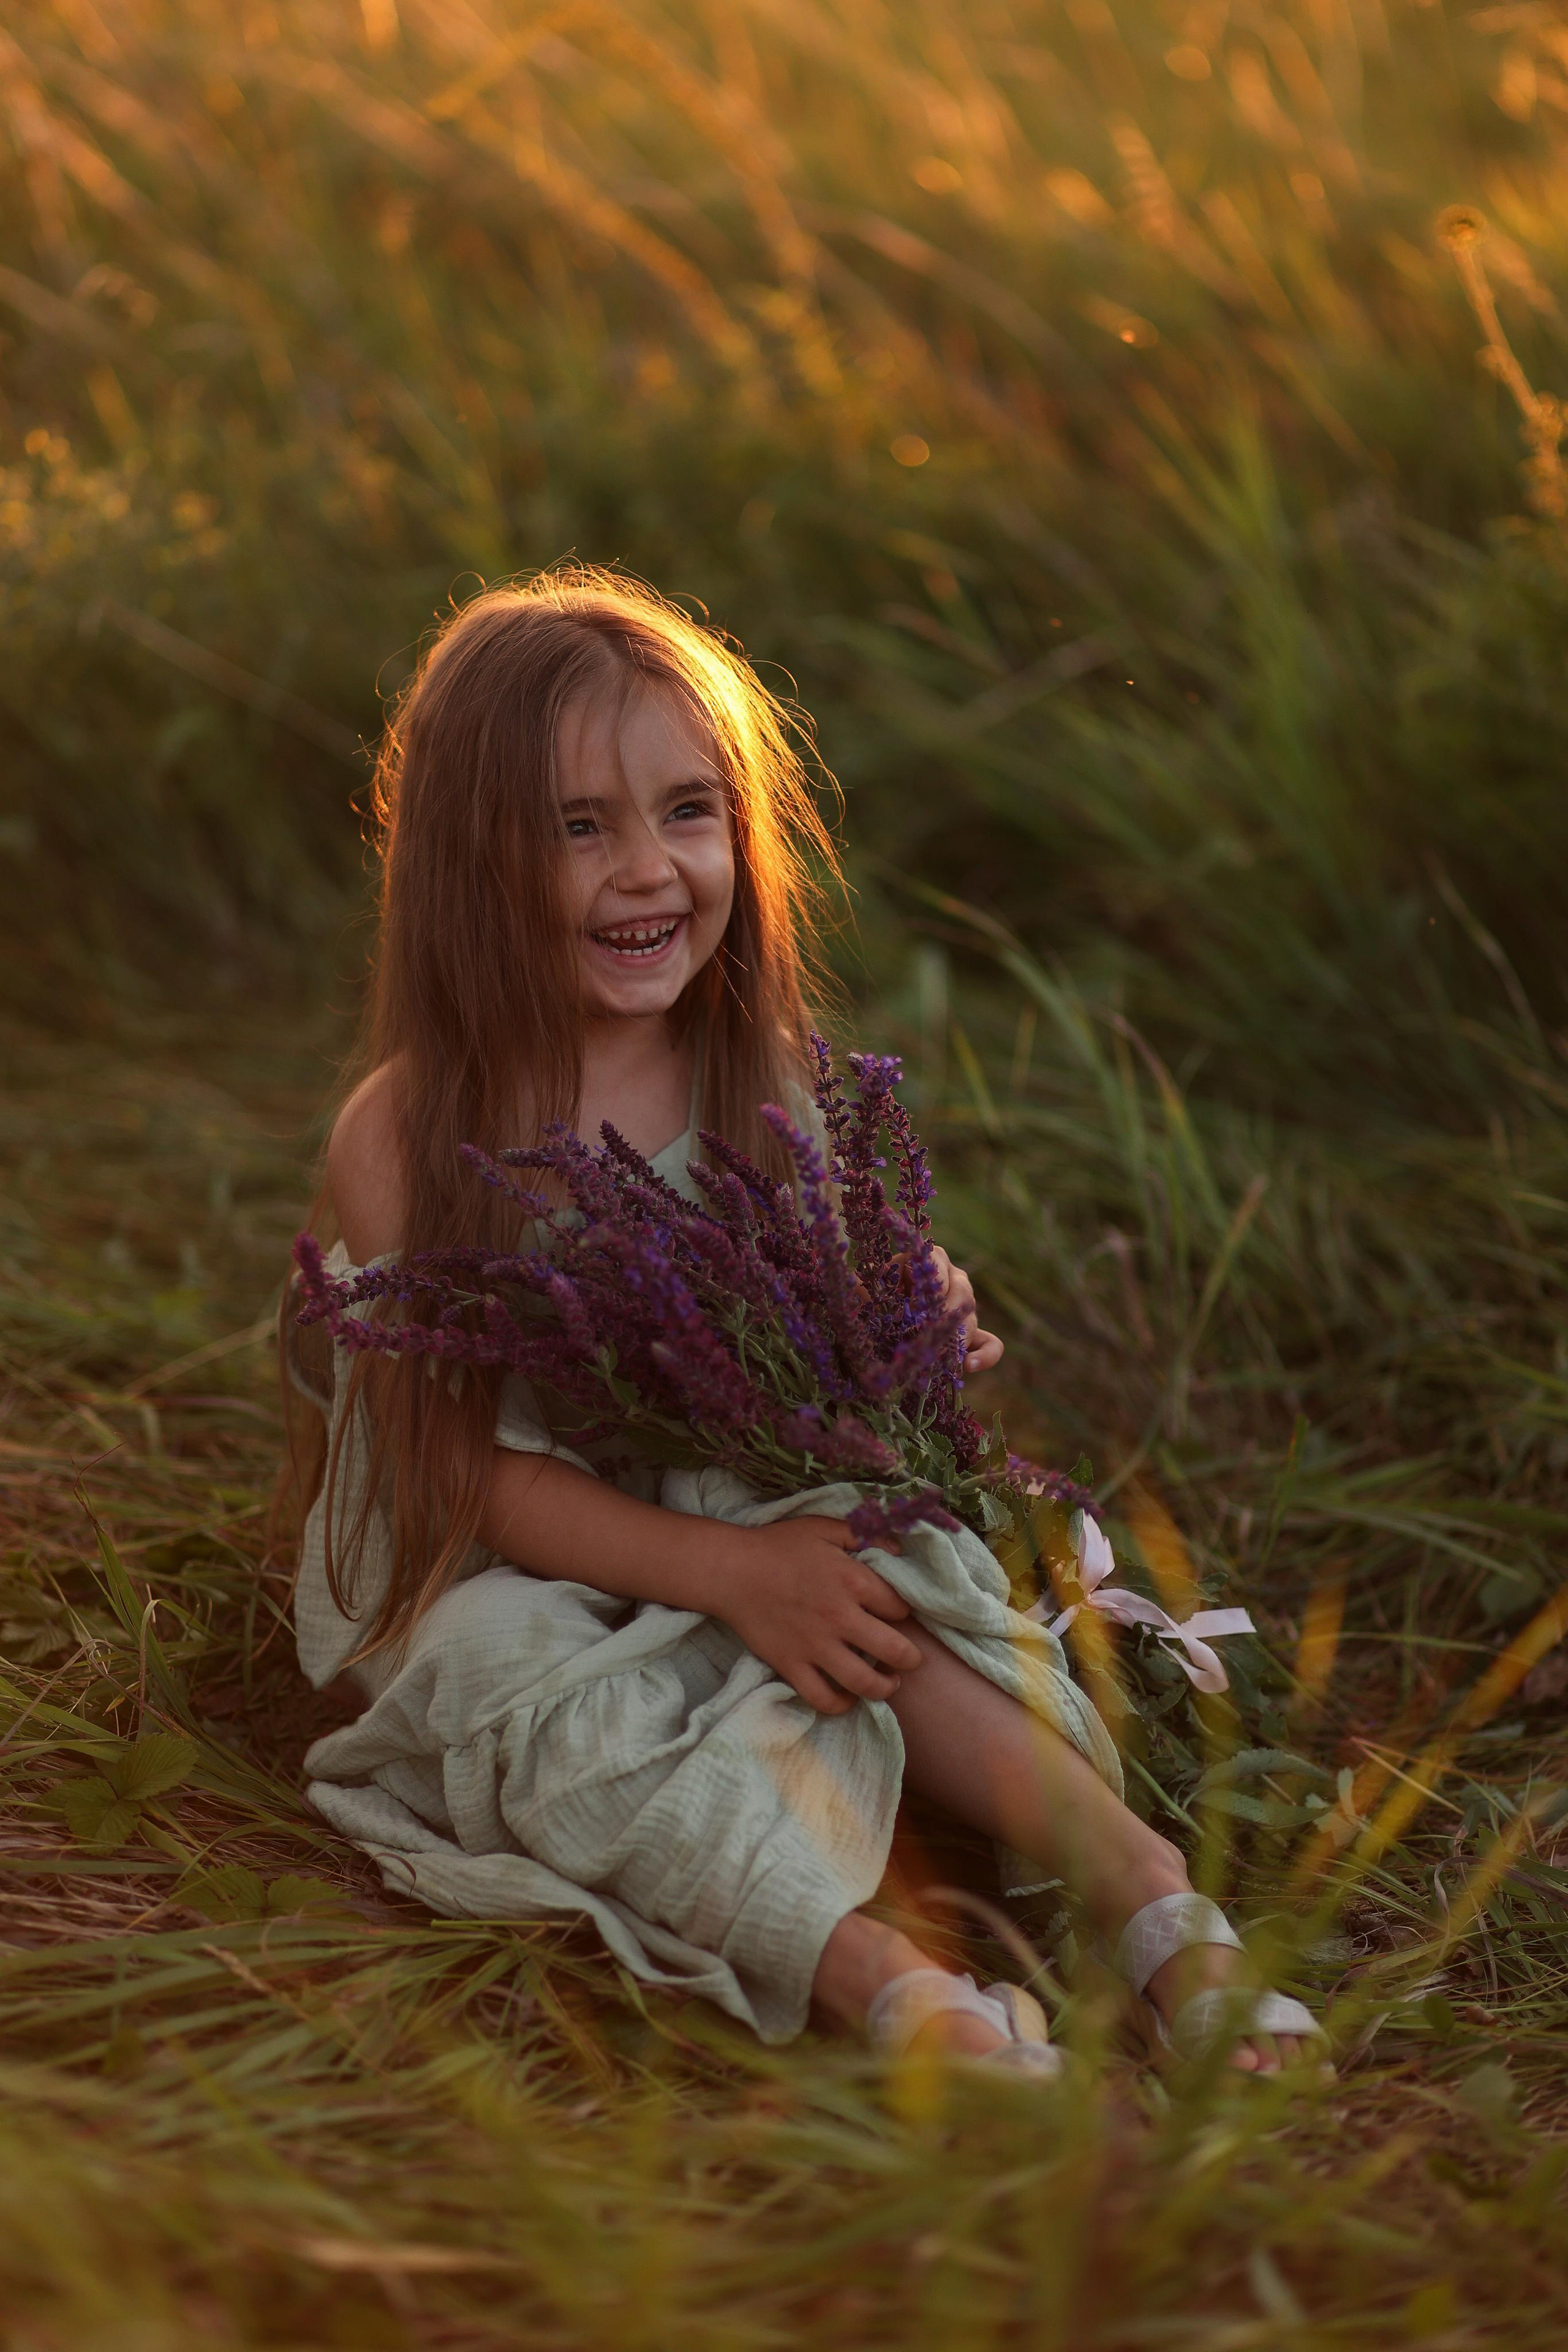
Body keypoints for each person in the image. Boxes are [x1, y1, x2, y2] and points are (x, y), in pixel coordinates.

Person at [282, 570, 1321, 2079]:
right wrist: (722, 1575)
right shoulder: (405, 1134)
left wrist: (911, 1325)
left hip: (743, 1483)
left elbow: (825, 1318)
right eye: (579, 827)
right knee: (528, 1697)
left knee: (880, 1573)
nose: (649, 871)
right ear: (462, 859)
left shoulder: (756, 1072)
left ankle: (1155, 1908)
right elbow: (462, 1476)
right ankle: (884, 1982)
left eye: (687, 810)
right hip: (496, 1544)